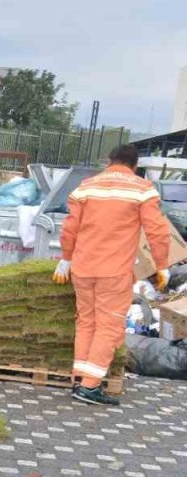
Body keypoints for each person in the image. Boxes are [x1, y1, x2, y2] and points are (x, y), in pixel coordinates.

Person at [55, 144, 171, 406]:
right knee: (109, 327)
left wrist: (65, 259)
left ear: (109, 161)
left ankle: (79, 378)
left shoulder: (87, 186)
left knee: (86, 322)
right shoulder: (141, 189)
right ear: (135, 164)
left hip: (83, 268)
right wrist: (162, 265)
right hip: (114, 271)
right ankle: (90, 387)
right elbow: (157, 230)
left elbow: (70, 227)